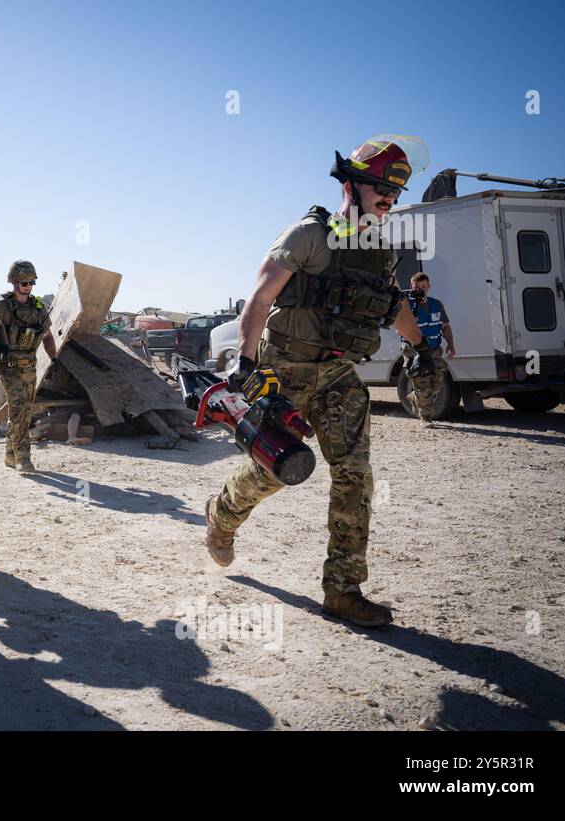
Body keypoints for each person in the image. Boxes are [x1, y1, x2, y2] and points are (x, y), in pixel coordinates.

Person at [203, 134, 437, 628]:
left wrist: (423, 348)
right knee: (278, 471)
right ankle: (222, 513)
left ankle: (343, 590)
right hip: (283, 372)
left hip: (337, 375)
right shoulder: (307, 235)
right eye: (382, 191)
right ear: (353, 185)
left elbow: (393, 305)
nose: (390, 201)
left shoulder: (378, 249)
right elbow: (260, 298)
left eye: (395, 195)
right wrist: (244, 365)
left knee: (355, 473)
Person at [0, 260, 59, 473]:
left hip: (29, 366)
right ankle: (23, 458)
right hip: (7, 365)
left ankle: (10, 454)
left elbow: (47, 337)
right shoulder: (0, 307)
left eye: (32, 282)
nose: (29, 286)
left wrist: (54, 359)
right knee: (18, 405)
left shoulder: (38, 308)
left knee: (23, 411)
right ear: (14, 282)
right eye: (25, 282)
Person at [405, 273, 457, 426]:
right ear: (412, 288)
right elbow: (400, 329)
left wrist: (451, 344)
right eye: (417, 288)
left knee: (437, 385)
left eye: (424, 287)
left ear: (429, 287)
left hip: (434, 349)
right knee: (424, 384)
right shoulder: (406, 305)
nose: (421, 290)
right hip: (415, 351)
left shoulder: (437, 305)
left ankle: (415, 398)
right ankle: (426, 418)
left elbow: (445, 327)